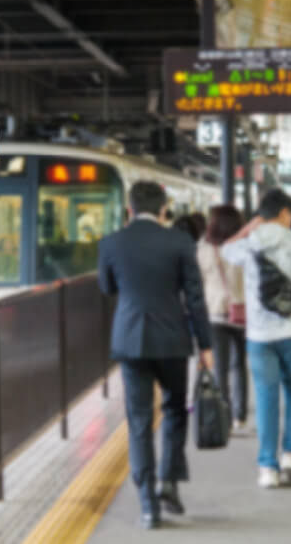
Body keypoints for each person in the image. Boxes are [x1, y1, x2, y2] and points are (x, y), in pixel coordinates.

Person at [97, 181, 213, 529]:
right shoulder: (180, 242)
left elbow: (107, 287)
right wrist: (205, 345)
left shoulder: (111, 243)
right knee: (176, 410)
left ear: (129, 209)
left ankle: (148, 505)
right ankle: (169, 483)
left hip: (130, 341)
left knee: (139, 421)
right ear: (164, 210)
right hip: (173, 340)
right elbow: (195, 298)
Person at [222, 189, 291, 489]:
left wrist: (249, 228)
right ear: (285, 213)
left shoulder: (249, 243)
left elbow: (225, 249)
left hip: (259, 335)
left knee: (266, 397)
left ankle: (267, 468)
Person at [197, 205, 249, 430]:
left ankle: (224, 417)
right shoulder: (244, 245)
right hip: (242, 312)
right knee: (239, 366)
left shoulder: (204, 247)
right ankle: (240, 416)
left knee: (220, 368)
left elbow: (198, 281)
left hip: (215, 312)